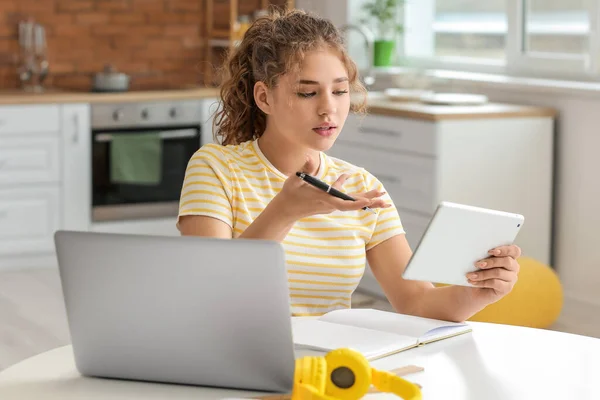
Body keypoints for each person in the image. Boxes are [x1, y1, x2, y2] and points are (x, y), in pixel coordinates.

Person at [177, 8, 521, 321]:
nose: (329, 109)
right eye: (308, 93)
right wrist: (284, 211)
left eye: (340, 92)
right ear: (265, 97)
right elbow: (209, 291)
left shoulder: (361, 187)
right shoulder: (215, 168)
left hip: (329, 368)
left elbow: (415, 302)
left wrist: (478, 293)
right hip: (235, 358)